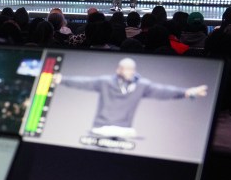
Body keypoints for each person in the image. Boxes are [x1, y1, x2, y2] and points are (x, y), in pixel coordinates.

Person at [53, 57, 207, 139]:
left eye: (131, 70)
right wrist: (63, 79)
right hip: (100, 129)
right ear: (118, 69)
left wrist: (188, 92)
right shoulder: (105, 82)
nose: (129, 72)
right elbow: (84, 83)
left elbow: (163, 91)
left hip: (124, 131)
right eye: (126, 69)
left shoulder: (142, 85)